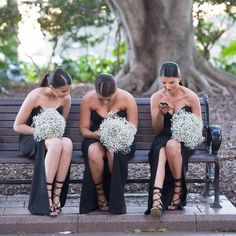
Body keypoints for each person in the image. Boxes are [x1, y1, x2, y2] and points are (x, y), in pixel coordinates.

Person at [145, 62, 202, 218]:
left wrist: (183, 132)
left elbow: (198, 126)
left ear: (180, 78)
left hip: (186, 138)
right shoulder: (156, 97)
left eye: (172, 82)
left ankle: (176, 188)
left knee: (172, 145)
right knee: (162, 149)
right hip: (163, 136)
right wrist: (161, 114)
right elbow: (156, 129)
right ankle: (157, 199)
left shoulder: (191, 97)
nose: (168, 87)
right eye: (164, 82)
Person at [13, 68, 73, 216]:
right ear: (52, 88)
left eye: (68, 90)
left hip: (52, 138)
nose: (67, 94)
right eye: (63, 91)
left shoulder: (66, 99)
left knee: (67, 143)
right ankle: (46, 197)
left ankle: (57, 196)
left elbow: (61, 123)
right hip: (31, 137)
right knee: (56, 143)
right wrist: (40, 131)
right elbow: (17, 126)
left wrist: (53, 131)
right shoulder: (35, 96)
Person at [79, 73, 138, 214]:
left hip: (123, 138)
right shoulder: (88, 99)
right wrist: (95, 134)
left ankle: (115, 196)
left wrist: (118, 135)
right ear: (95, 91)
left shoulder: (127, 98)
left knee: (113, 152)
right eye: (101, 99)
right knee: (93, 151)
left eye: (109, 99)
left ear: (116, 89)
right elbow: (83, 129)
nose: (105, 102)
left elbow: (133, 128)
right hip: (96, 138)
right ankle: (100, 194)